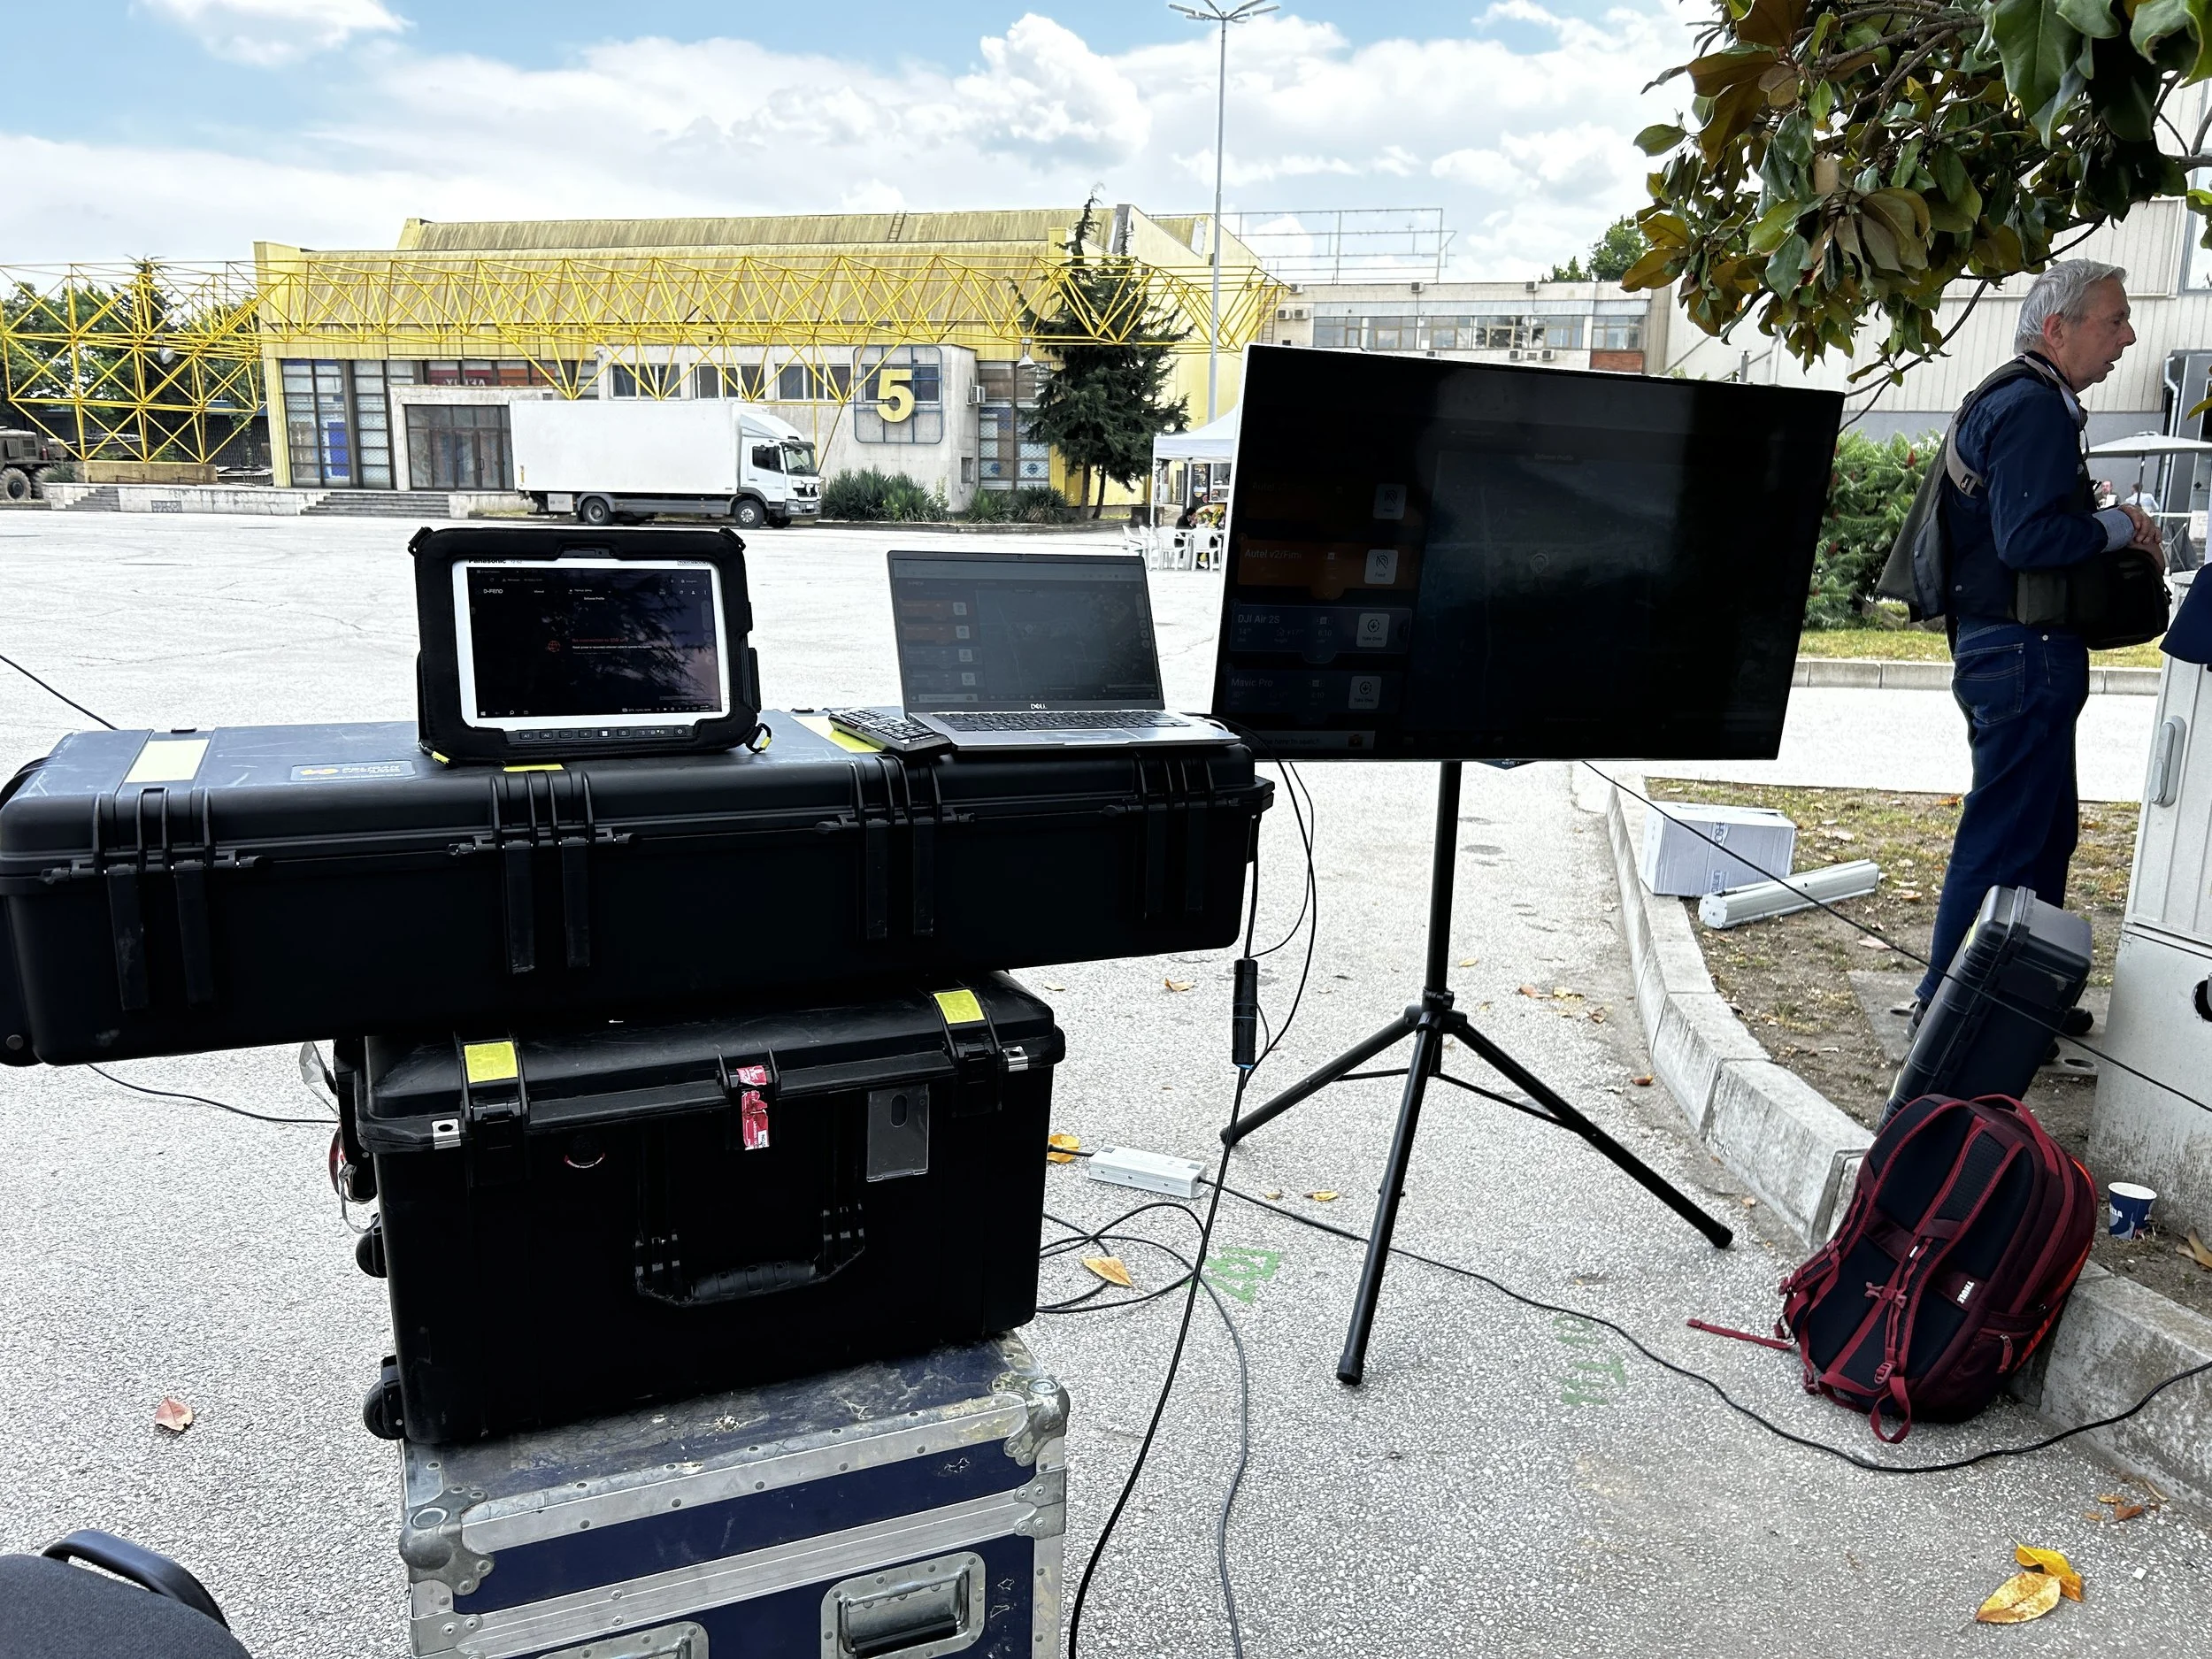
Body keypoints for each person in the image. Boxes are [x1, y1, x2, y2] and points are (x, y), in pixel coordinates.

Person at [1912, 260, 2165, 1036]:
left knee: (2044, 832)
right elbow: (2027, 540)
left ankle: (2019, 1005)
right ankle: (1948, 1017)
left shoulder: (2019, 398)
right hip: (2022, 652)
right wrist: (2124, 526)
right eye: (2112, 320)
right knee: (2004, 838)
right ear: (2057, 329)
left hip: (2014, 651)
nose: (2127, 336)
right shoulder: (2034, 407)